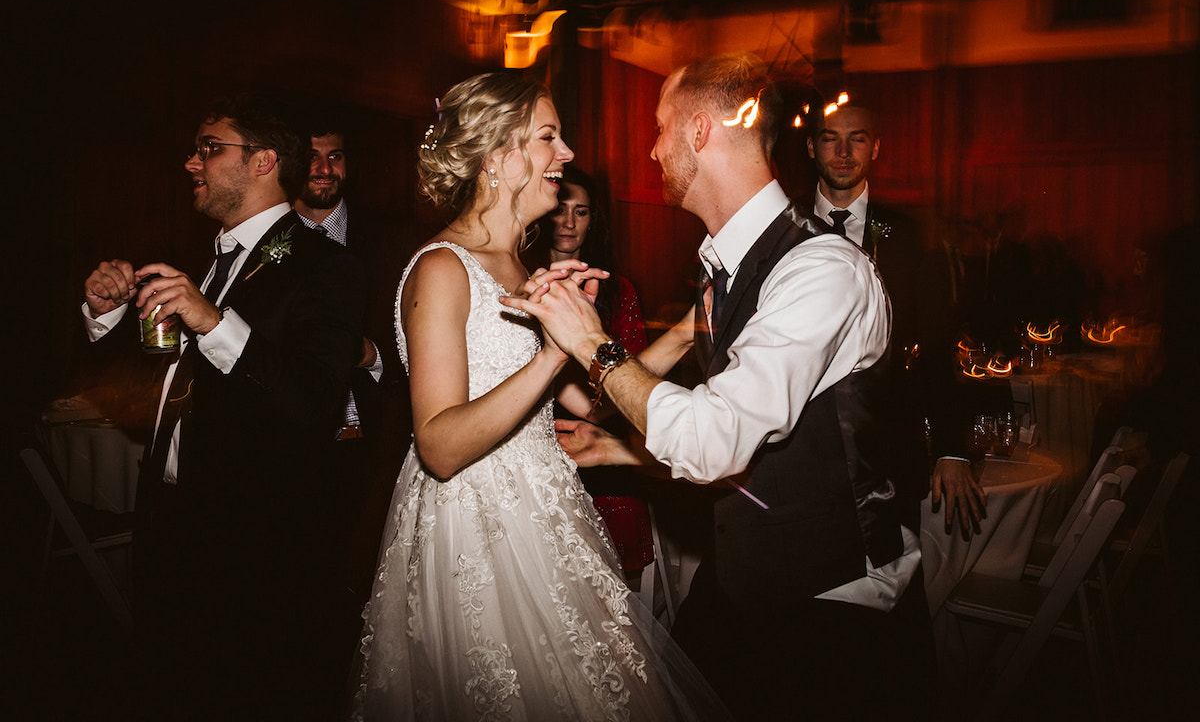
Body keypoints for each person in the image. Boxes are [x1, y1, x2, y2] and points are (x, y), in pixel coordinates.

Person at [507, 54, 932, 718]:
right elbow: (747, 439)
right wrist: (624, 453)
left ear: (700, 131)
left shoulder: (822, 270)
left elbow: (716, 440)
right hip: (752, 583)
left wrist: (588, 341)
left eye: (659, 127)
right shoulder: (724, 270)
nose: (651, 148)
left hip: (836, 611)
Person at [352, 72, 727, 720]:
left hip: (546, 507)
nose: (567, 154)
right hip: (473, 524)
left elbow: (594, 405)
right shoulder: (441, 267)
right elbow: (438, 444)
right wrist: (558, 350)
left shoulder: (523, 270)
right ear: (499, 155)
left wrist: (688, 331)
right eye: (549, 136)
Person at [81, 94, 364, 720]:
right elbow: (162, 384)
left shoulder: (326, 265)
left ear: (264, 161)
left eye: (210, 148)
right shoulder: (208, 255)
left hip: (254, 545)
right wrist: (105, 315)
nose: (191, 162)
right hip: (173, 518)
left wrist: (214, 322)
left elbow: (315, 402)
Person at [807, 100, 986, 534]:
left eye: (858, 139)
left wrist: (950, 449)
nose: (844, 152)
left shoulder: (911, 236)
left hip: (886, 451)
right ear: (812, 148)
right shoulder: (783, 226)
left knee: (890, 583)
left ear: (876, 149)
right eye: (831, 138)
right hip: (801, 445)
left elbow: (937, 344)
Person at [294, 117, 414, 669]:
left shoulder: (390, 241)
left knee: (363, 582)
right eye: (314, 157)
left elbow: (417, 343)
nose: (324, 169)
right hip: (289, 441)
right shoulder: (270, 240)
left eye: (336, 157)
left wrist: (372, 355)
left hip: (369, 440)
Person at [532, 163, 655, 577]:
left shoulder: (617, 289)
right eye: (560, 209)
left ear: (592, 219)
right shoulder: (522, 285)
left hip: (605, 447)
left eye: (580, 212)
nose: (568, 222)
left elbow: (634, 377)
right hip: (535, 451)